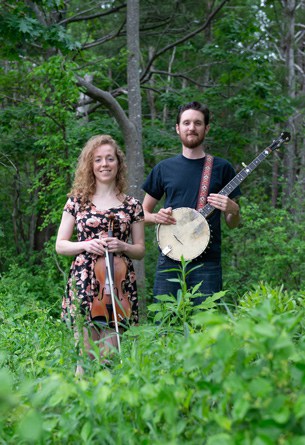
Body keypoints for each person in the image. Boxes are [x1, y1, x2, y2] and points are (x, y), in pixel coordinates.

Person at [56, 134, 145, 375]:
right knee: (84, 362)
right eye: (98, 160)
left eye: (109, 159)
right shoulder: (77, 201)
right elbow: (61, 245)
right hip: (85, 283)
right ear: (90, 165)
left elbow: (140, 250)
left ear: (118, 163)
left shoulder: (132, 205)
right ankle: (79, 409)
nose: (104, 164)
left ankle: (106, 412)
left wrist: (123, 246)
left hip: (119, 286)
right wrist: (86, 244)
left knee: (109, 362)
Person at [142, 101, 241, 305]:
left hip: (208, 261)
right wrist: (155, 217)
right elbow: (142, 214)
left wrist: (234, 209)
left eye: (197, 123)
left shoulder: (222, 168)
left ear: (206, 128)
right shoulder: (163, 168)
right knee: (165, 324)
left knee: (206, 327)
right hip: (170, 256)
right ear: (178, 128)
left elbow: (232, 223)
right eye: (186, 123)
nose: (192, 127)